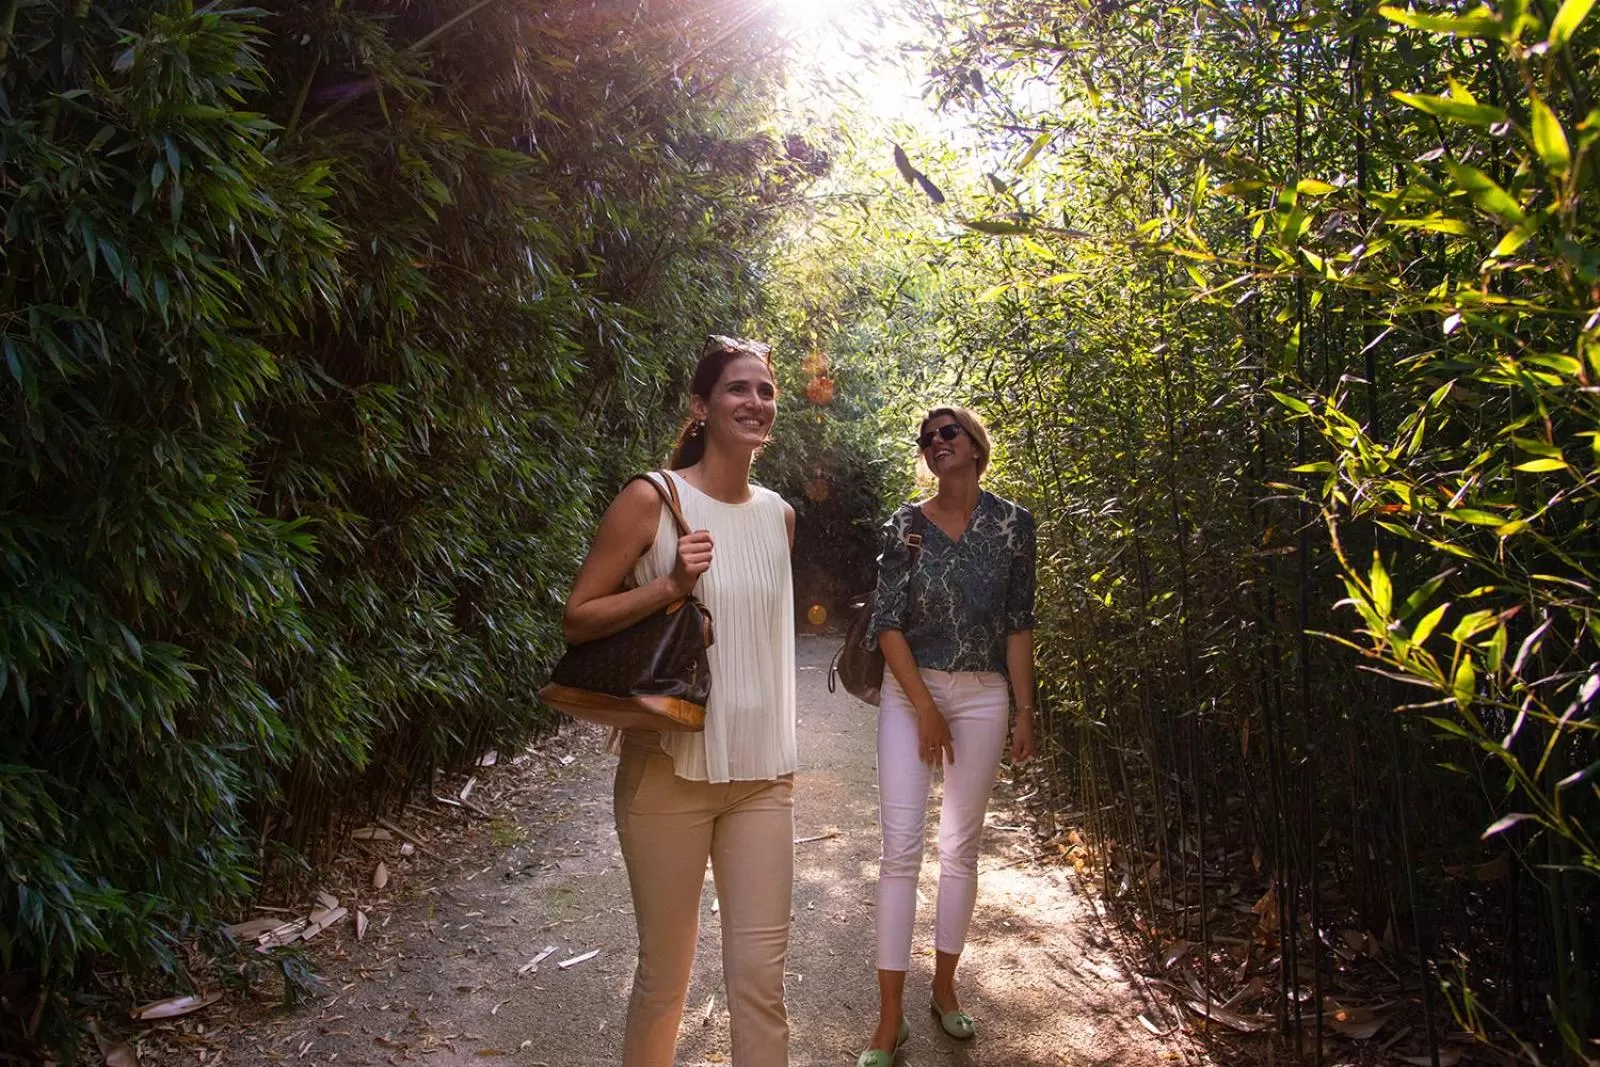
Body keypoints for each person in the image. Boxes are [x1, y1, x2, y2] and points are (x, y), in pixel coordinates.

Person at [560, 335, 797, 1067]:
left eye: (765, 390)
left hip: (762, 775)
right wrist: (668, 586)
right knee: (665, 978)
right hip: (668, 770)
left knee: (761, 985)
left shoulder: (781, 515)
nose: (755, 402)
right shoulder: (651, 499)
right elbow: (577, 617)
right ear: (701, 406)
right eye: (737, 388)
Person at [855, 405, 1038, 1066]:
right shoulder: (905, 524)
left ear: (975, 445)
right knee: (901, 848)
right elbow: (886, 622)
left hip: (985, 694)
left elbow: (1019, 622)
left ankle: (944, 987)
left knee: (961, 846)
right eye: (927, 437)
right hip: (912, 692)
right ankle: (889, 1018)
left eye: (947, 432)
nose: (936, 441)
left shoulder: (1014, 524)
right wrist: (925, 705)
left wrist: (1025, 710)